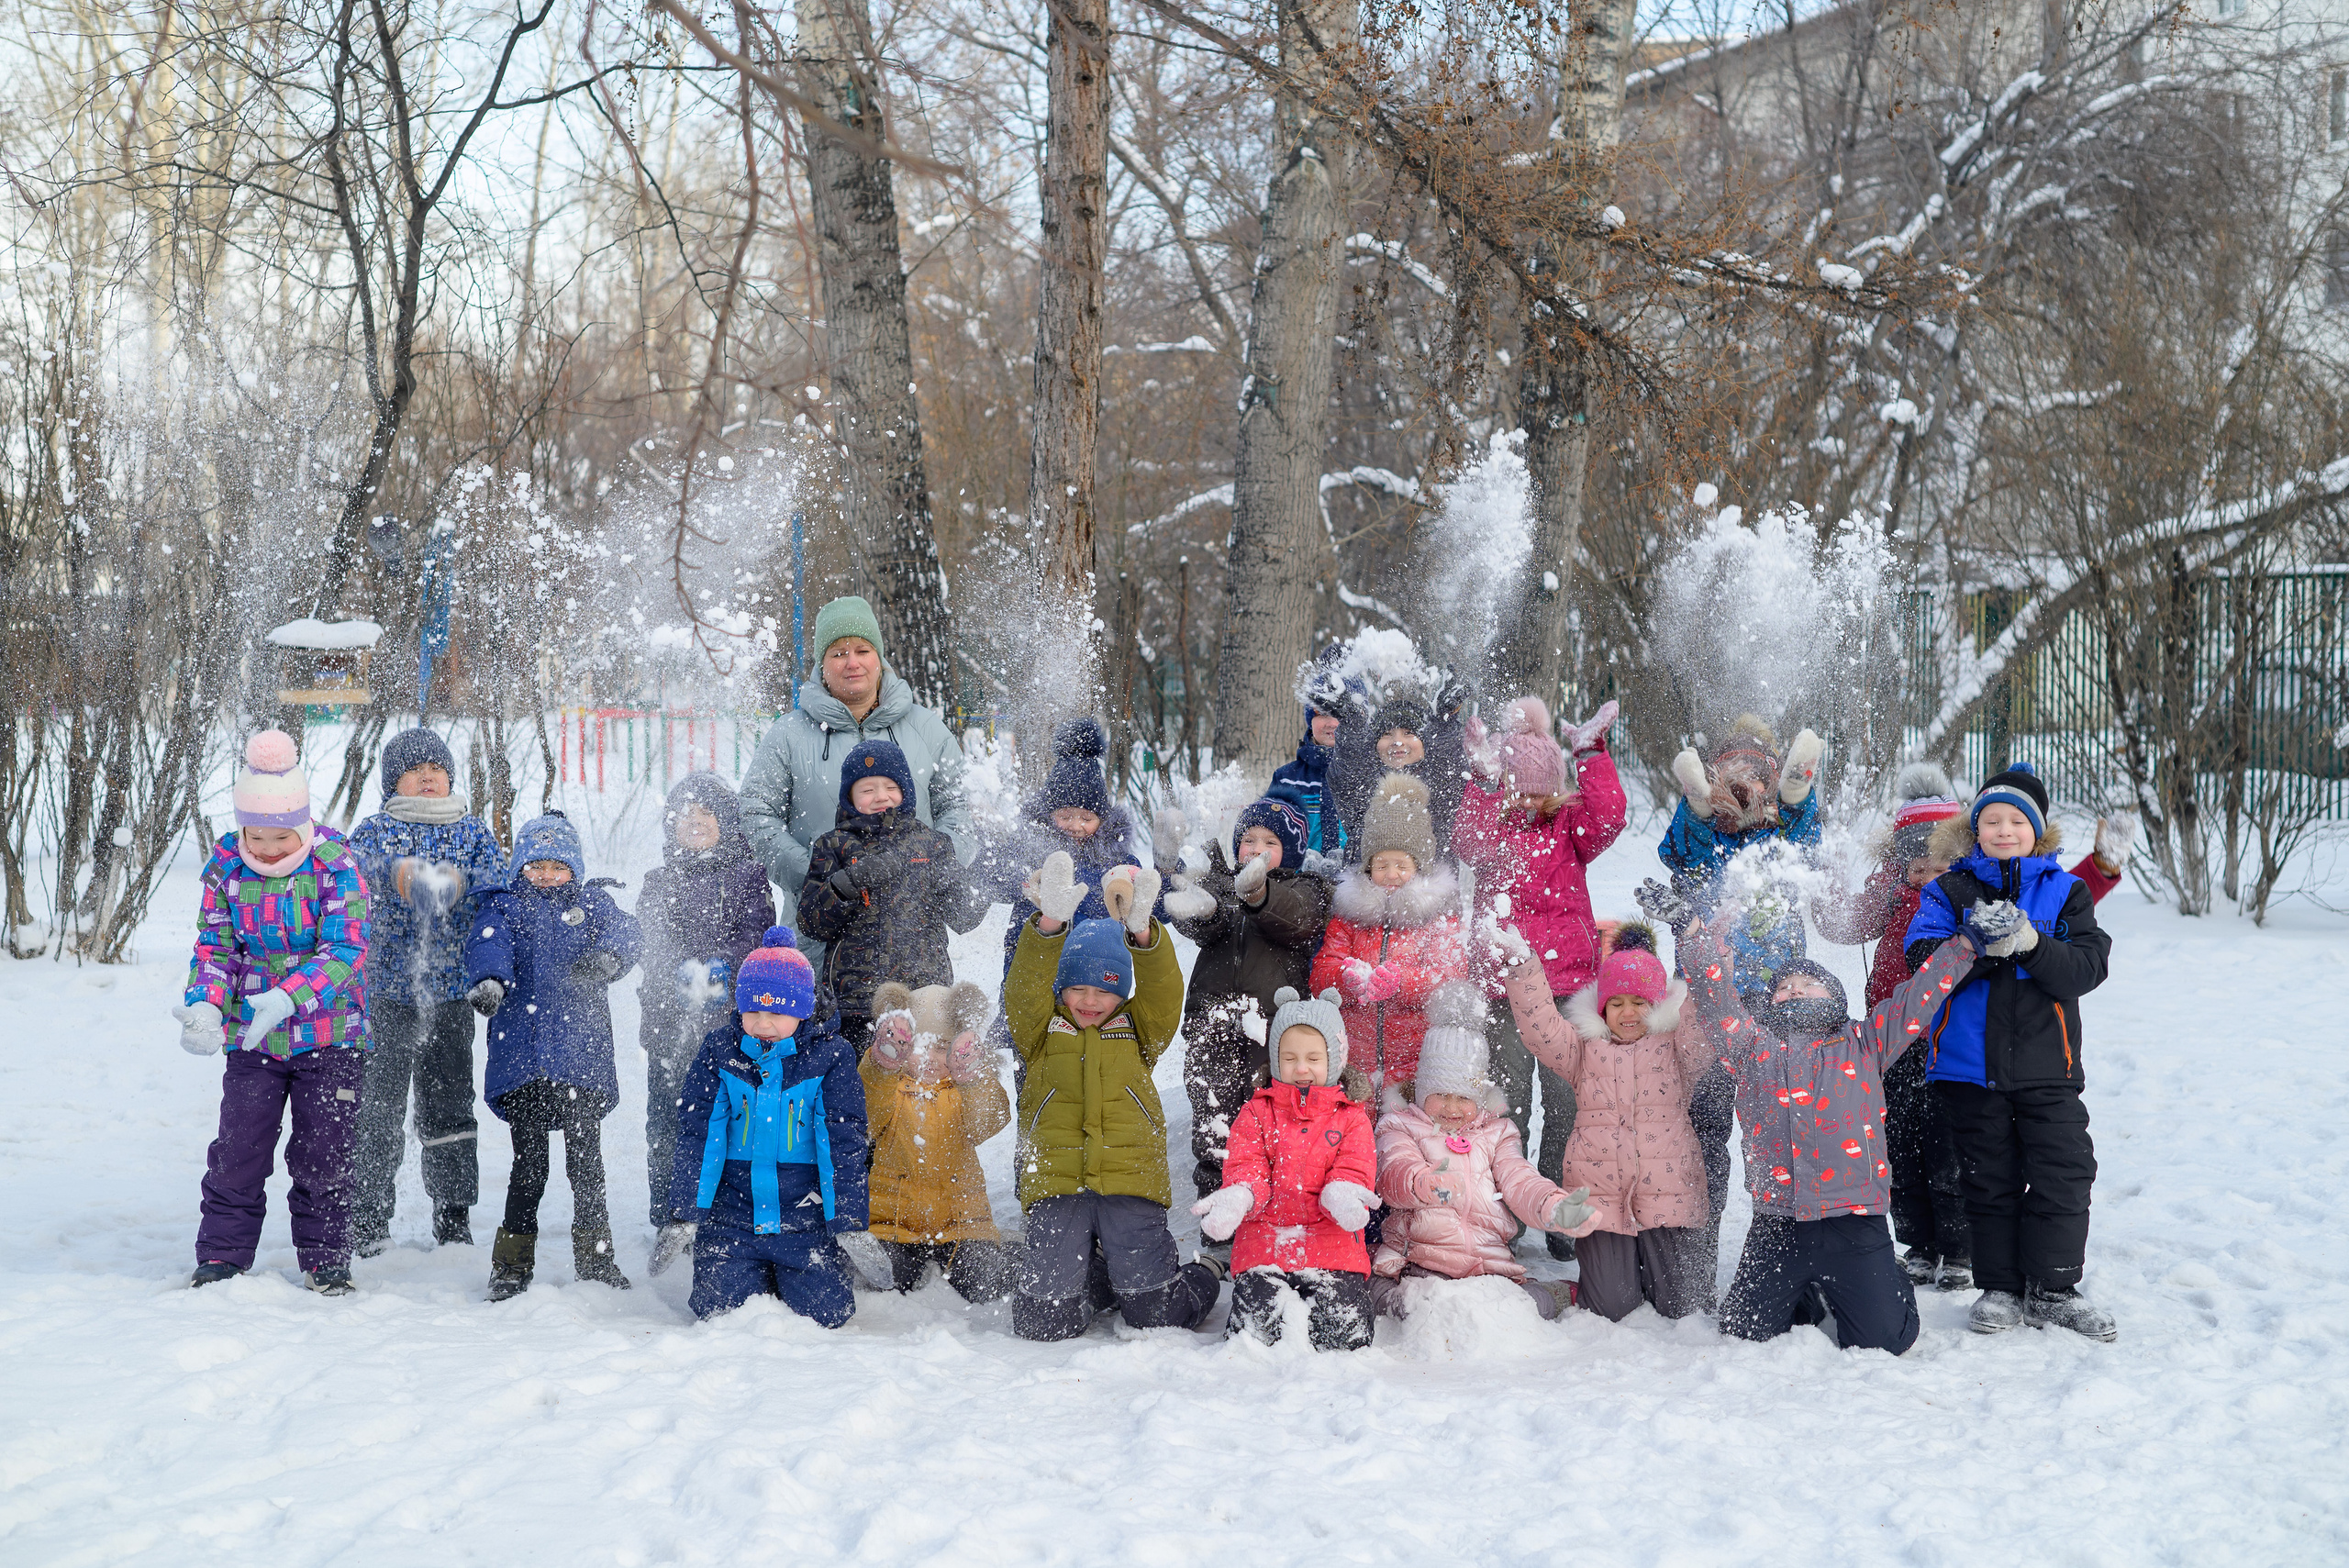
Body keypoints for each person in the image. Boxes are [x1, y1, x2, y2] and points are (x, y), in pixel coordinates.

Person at [1814, 766, 2136, 1292]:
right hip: (1893, 1041)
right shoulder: (1905, 896)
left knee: (1953, 1153)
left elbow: (2052, 895)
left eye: (1935, 853)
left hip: (1955, 1044)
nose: (1924, 866)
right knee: (1902, 1148)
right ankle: (1920, 1243)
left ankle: (1961, 1248)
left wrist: (2101, 867)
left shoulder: (1973, 885)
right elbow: (1845, 924)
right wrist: (1825, 876)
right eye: (1911, 858)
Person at [1637, 874, 1983, 1354]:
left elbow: (1918, 994)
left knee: (1887, 1340)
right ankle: (1809, 1292)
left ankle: (1885, 1274)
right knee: (1743, 1334)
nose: (1796, 990)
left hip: (1854, 1221)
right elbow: (1715, 999)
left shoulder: (1867, 1041)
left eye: (1809, 984)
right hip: (1777, 1224)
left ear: (1836, 1000)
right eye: (1784, 987)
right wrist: (1690, 932)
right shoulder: (1752, 1045)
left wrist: (1966, 944)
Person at [1904, 763, 2116, 1340]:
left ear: (2037, 831)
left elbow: (2086, 968)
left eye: (2016, 820)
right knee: (1988, 1178)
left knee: (2065, 1172)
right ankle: (1998, 1286)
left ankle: (2053, 1287)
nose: (2003, 829)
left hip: (2051, 1068)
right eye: (1990, 820)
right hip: (1968, 1071)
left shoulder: (2065, 891)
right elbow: (1921, 959)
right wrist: (1979, 944)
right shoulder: (1947, 890)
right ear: (1975, 831)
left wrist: (2028, 943)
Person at [174, 731, 373, 1295]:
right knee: (239, 1148)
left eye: (278, 836)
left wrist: (289, 996)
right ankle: (222, 1254)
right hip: (252, 1042)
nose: (263, 848)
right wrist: (207, 1007)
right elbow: (216, 946)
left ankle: (325, 1257)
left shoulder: (334, 863)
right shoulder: (227, 865)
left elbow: (346, 949)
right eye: (253, 835)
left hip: (331, 1035)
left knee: (323, 1153)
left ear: (303, 828)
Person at [1003, 854, 1224, 1340]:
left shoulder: (1138, 1031)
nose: (1088, 1001)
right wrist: (1050, 926)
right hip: (1058, 1184)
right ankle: (1097, 1277)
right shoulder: (1041, 1033)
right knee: (1042, 1322)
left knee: (1157, 1314)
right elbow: (1023, 990)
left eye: (1102, 990)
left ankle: (1204, 1274)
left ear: (1121, 995)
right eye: (1076, 988)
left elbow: (1165, 996)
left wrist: (1145, 939)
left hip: (1129, 1182)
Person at [1653, 715, 1824, 1288]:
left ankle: (1784, 1254)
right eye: (1731, 772)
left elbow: (1809, 839)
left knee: (1776, 1128)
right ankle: (1695, 1257)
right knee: (1703, 1126)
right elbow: (1678, 853)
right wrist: (1701, 808)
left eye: (1757, 773)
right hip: (1706, 1001)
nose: (1744, 783)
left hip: (1775, 1002)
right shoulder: (1702, 842)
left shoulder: (1783, 836)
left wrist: (1795, 797)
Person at [1451, 696, 1624, 1257]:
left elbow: (1609, 817)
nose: (1529, 797)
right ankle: (1510, 1210)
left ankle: (1559, 1209)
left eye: (1539, 786)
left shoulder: (1570, 827)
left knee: (1569, 1101)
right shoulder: (1492, 832)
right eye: (1517, 785)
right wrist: (1481, 778)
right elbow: (1465, 840)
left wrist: (1590, 752)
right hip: (1506, 988)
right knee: (1510, 1102)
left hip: (1569, 988)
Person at [649, 927, 875, 1326]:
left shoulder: (831, 1056)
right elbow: (698, 1134)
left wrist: (850, 1226)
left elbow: (843, 1142)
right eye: (752, 1011)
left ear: (803, 1010)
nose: (762, 1024)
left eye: (776, 1012)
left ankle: (787, 1273)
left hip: (806, 1217)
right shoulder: (720, 1051)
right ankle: (752, 1271)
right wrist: (685, 1215)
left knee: (828, 1314)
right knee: (717, 1312)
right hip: (733, 1216)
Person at [1494, 922, 1716, 1322]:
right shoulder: (1584, 1050)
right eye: (1616, 1004)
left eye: (1639, 1002)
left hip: (1670, 1195)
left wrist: (1699, 947)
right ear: (1602, 1009)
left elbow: (1707, 1012)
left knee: (1685, 1309)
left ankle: (1654, 1276)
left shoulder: (1678, 1047)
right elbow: (1542, 1029)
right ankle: (1573, 1289)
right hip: (1602, 1196)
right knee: (1612, 1308)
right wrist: (1523, 969)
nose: (1627, 1013)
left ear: (1659, 1005)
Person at [738, 595, 974, 966]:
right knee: (820, 1022)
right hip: (820, 936)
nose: (852, 662)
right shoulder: (789, 735)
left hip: (912, 938)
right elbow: (756, 813)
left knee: (910, 1022)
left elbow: (960, 806)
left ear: (879, 658)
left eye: (862, 649)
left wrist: (932, 866)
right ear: (822, 665)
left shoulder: (926, 728)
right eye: (838, 653)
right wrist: (818, 876)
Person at [463, 813, 642, 1300]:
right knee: (530, 1165)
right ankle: (512, 1264)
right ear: (520, 865)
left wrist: (611, 957)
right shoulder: (505, 907)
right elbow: (487, 946)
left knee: (587, 1162)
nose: (546, 875)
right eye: (536, 865)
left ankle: (597, 1257)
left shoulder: (591, 903)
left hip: (580, 1061)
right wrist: (490, 981)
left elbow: (628, 934)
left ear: (574, 869)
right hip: (524, 1061)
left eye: (557, 866)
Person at [345, 727, 507, 1255]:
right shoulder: (376, 831)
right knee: (377, 1108)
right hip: (385, 994)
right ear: (396, 781)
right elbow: (351, 870)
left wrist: (459, 884)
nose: (429, 778)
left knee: (449, 1105)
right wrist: (397, 874)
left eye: (436, 769)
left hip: (450, 996)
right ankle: (368, 1216)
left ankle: (453, 1212)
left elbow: (495, 885)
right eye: (416, 771)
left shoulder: (471, 831)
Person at [1368, 983, 1597, 1321]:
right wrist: (1422, 1182)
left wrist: (1552, 1205)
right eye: (1441, 1094)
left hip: (1487, 1266)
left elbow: (1520, 1181)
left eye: (1464, 1098)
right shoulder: (1400, 1125)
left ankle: (1554, 1295)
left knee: (1516, 1312)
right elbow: (1393, 1171)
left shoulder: (1497, 1133)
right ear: (1422, 1088)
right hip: (1421, 1262)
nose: (1452, 1107)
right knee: (1419, 1310)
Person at [1160, 796, 1335, 1213]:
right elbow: (1208, 925)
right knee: (1213, 1119)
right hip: (1212, 1021)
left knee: (1270, 1119)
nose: (1255, 849)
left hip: (1272, 1028)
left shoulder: (1305, 888)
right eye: (1248, 840)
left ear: (1289, 852)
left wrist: (1259, 894)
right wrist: (1203, 910)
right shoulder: (1222, 882)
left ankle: (1271, 1209)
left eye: (1268, 842)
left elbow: (1293, 918)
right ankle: (1219, 1212)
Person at [1191, 988, 1379, 1351]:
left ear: (1335, 1059)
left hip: (1332, 1243)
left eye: (1313, 1057)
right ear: (1276, 1060)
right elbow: (1247, 1165)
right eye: (1289, 1058)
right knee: (1254, 1330)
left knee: (1346, 1334)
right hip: (1266, 1241)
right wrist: (1241, 1196)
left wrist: (1341, 1190)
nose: (1302, 1068)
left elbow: (1356, 1166)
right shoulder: (1257, 1112)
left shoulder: (1352, 1117)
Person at [633, 772, 776, 1228]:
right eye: (685, 815)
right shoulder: (658, 882)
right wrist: (678, 970)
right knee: (668, 1119)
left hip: (730, 1026)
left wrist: (725, 966)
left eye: (706, 813)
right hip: (668, 1022)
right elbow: (648, 940)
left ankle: (726, 1211)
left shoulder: (748, 876)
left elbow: (757, 932)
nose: (695, 822)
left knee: (733, 1118)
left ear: (727, 821)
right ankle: (669, 1211)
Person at [796, 740, 990, 1055]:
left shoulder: (931, 844)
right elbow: (811, 923)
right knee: (863, 1087)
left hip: (923, 998)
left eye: (890, 787)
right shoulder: (833, 845)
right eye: (867, 789)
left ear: (906, 792)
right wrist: (848, 883)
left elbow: (967, 917)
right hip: (857, 1002)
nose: (880, 797)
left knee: (920, 1090)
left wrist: (955, 882)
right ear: (850, 797)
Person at [1307, 773, 1464, 1097]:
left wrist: (1402, 983)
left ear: (1419, 867)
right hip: (1353, 1061)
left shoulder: (1436, 915)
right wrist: (1344, 979)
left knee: (1402, 1143)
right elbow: (1320, 975)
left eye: (1401, 865)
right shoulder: (1350, 915)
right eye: (1381, 865)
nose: (1391, 875)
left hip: (1414, 1063)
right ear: (1367, 867)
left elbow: (1450, 978)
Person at [861, 980, 1019, 1301]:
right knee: (885, 1282)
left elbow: (988, 1122)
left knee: (984, 1282)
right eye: (919, 1046)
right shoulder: (891, 1089)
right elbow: (865, 1113)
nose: (930, 1058)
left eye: (942, 1047)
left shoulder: (963, 1092)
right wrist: (880, 1067)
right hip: (893, 1224)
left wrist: (975, 1079)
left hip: (962, 1225)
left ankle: (1015, 1256)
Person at [974, 717, 1150, 1001]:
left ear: (1102, 820)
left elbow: (1134, 888)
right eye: (1065, 816)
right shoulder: (1031, 850)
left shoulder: (1113, 858)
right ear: (1049, 816)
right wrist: (991, 842)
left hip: (1092, 984)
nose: (1076, 825)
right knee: (1033, 1037)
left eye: (1087, 817)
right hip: (1033, 976)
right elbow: (994, 880)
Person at [1267, 699, 1345, 857]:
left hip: (1356, 880)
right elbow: (1268, 836)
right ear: (1310, 720)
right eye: (1322, 714)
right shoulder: (1286, 778)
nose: (1332, 723)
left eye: (1340, 714)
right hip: (1298, 879)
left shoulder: (1371, 776)